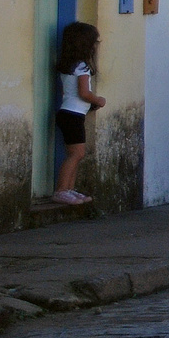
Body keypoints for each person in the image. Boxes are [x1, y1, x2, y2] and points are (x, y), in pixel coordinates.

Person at [54, 21, 105, 206]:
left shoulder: (68, 66)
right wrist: (98, 100)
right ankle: (61, 190)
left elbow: (69, 93)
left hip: (69, 113)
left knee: (76, 153)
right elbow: (84, 93)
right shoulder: (82, 67)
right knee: (76, 154)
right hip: (73, 115)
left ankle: (69, 189)